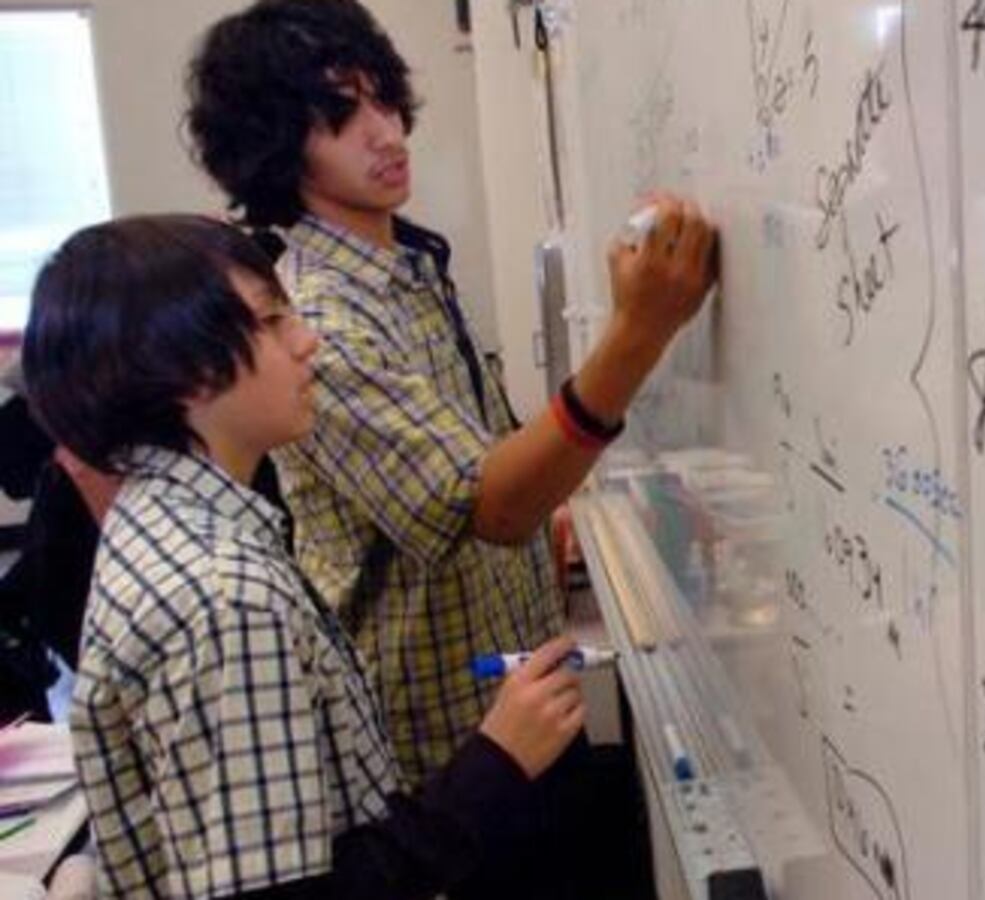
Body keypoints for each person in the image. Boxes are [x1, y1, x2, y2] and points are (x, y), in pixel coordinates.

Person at [186, 2, 714, 895]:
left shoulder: (408, 269)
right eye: (339, 116)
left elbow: (487, 477)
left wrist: (557, 522)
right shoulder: (322, 312)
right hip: (449, 764)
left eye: (384, 99)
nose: (385, 132)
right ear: (278, 144)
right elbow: (488, 504)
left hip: (521, 722)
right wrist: (638, 334)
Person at [23, 214, 588, 898]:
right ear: (181, 372)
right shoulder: (224, 598)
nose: (307, 340)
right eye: (272, 321)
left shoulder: (165, 523)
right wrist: (494, 763)